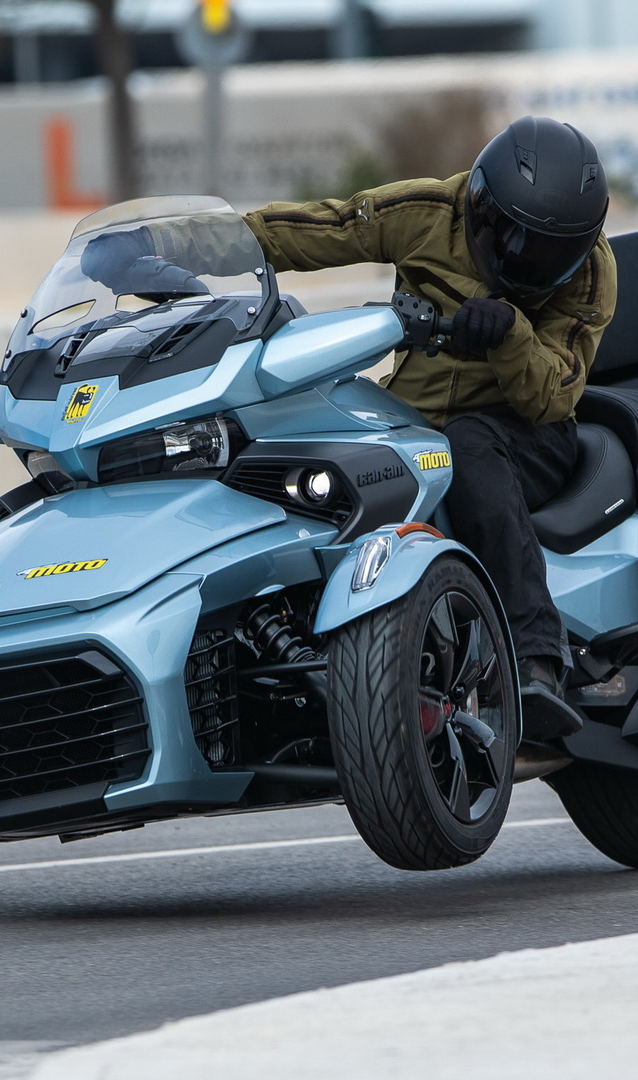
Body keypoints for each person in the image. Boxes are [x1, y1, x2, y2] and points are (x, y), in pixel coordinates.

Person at [243, 116, 615, 740]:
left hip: (528, 434)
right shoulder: (426, 212)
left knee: (469, 444)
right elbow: (320, 229)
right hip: (411, 421)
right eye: (515, 239)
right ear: (480, 204)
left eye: (552, 251)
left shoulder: (592, 271)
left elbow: (551, 393)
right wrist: (199, 245)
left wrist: (510, 332)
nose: (528, 260)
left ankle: (537, 660)